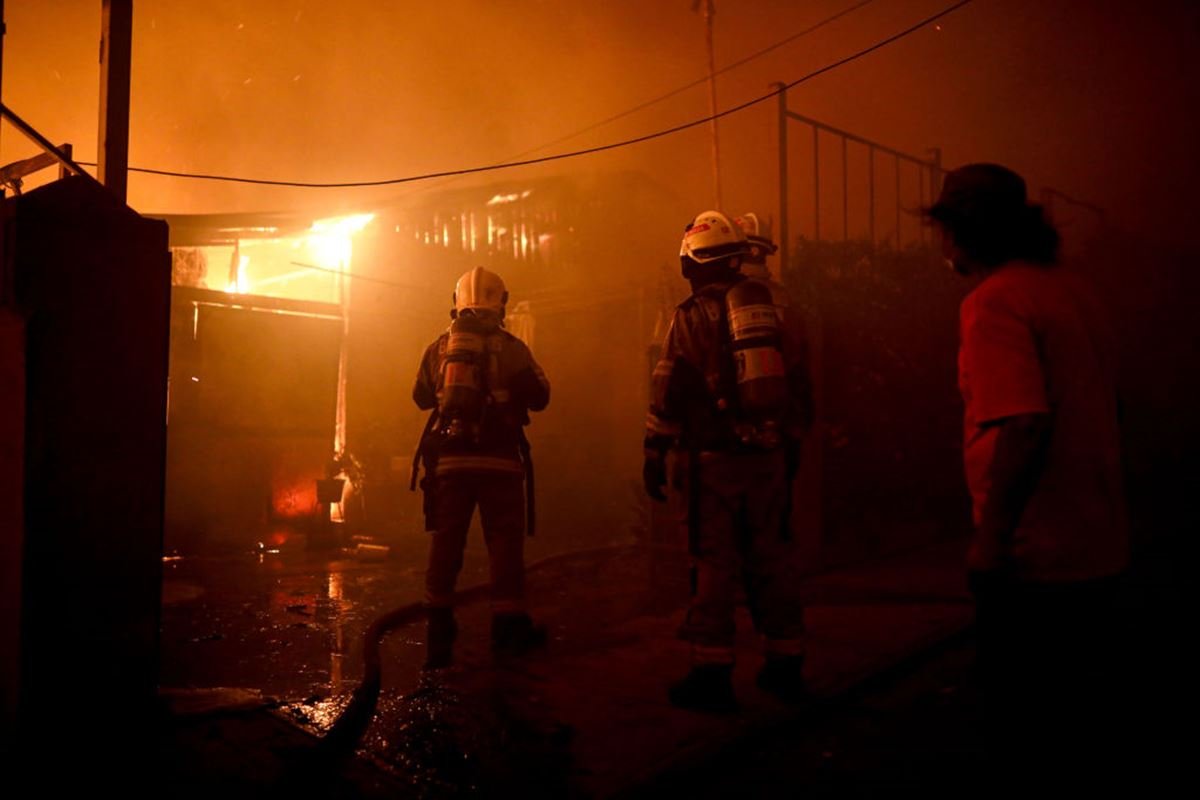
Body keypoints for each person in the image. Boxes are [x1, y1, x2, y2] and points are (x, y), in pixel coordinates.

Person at [925, 163, 1129, 777]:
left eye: (945, 229)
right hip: (1099, 545)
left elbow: (1024, 424)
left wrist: (991, 543)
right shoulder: (1073, 291)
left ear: (964, 233)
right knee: (1082, 719)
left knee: (1023, 727)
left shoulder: (994, 302)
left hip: (1035, 558)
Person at [644, 210, 814, 713]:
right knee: (773, 557)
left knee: (713, 562)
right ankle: (785, 664)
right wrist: (791, 442)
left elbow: (667, 390)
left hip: (712, 462)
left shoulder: (689, 315)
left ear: (692, 262)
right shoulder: (778, 310)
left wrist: (655, 450)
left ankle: (712, 673)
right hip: (768, 455)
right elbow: (800, 381)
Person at [412, 266, 550, 669]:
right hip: (501, 463)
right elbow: (542, 396)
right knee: (504, 546)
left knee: (446, 544)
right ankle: (507, 633)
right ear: (500, 302)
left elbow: (420, 396)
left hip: (451, 463)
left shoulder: (439, 348)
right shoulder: (513, 347)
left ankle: (438, 634)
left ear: (456, 303)